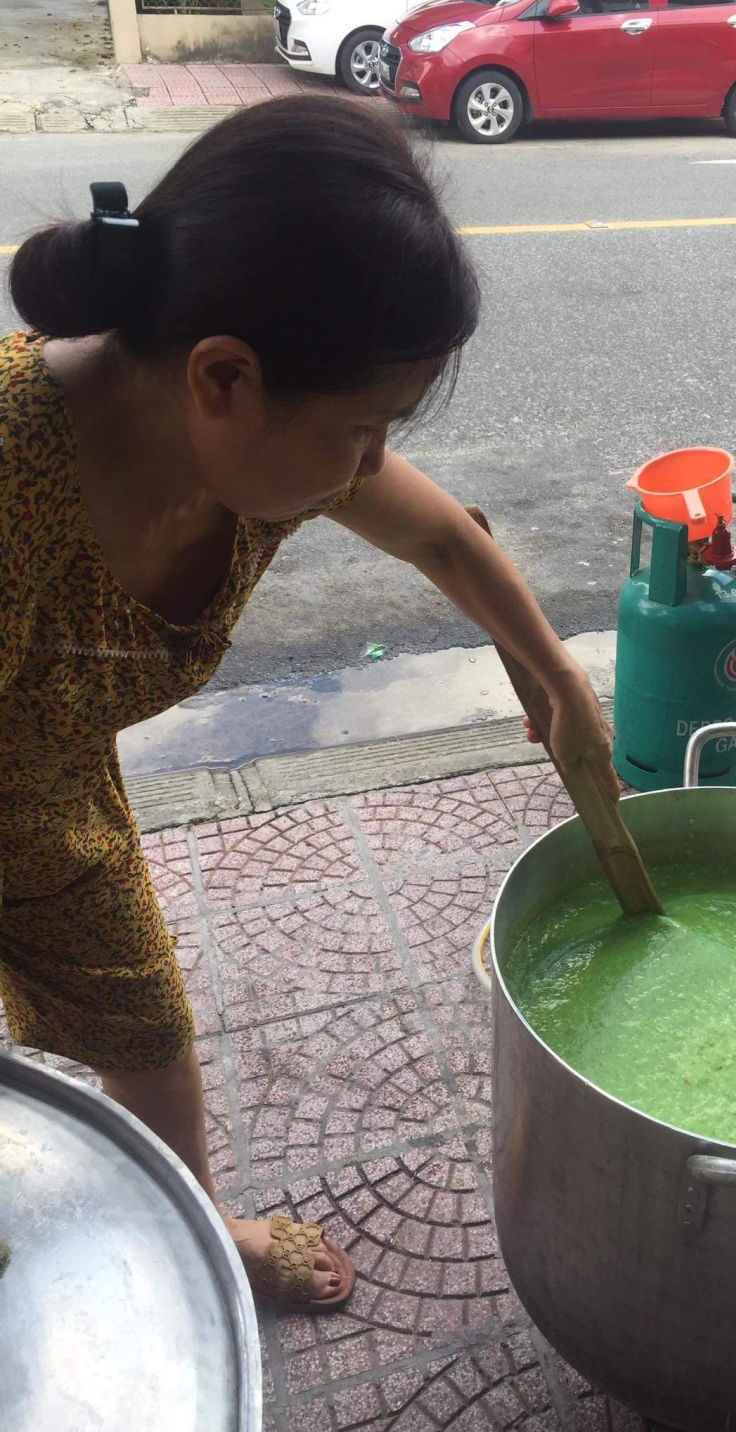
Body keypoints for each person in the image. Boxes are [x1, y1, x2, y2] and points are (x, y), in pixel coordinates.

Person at [0, 96, 617, 1311]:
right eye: (364, 431)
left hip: (44, 787)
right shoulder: (16, 471)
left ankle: (198, 1237)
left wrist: (556, 680)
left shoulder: (241, 441)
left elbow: (441, 537)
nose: (372, 467)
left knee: (146, 1028)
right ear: (224, 377)